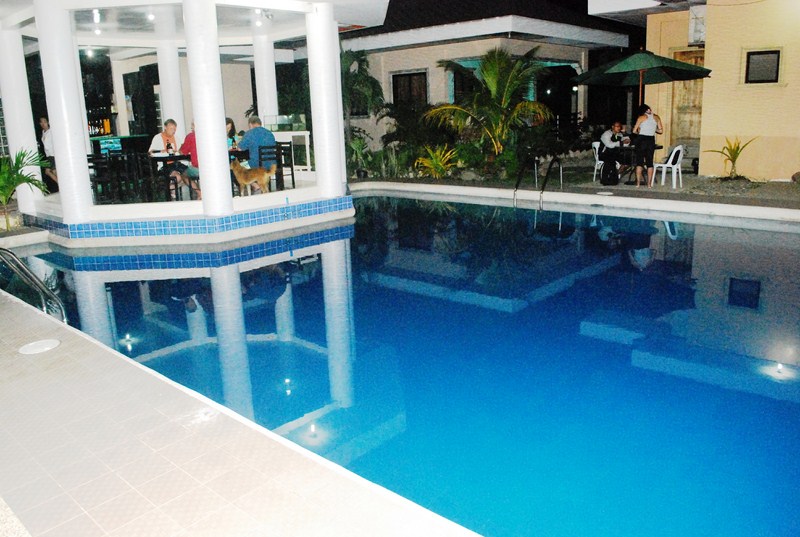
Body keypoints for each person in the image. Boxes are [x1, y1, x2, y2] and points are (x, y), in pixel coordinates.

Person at [149, 119, 188, 199]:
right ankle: (170, 189)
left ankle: (170, 188)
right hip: (165, 164)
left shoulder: (176, 138)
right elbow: (150, 152)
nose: (173, 131)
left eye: (174, 129)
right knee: (178, 177)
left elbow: (180, 150)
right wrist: (161, 151)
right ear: (165, 127)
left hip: (176, 163)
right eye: (171, 129)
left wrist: (178, 151)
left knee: (188, 174)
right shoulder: (157, 138)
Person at [632, 104, 663, 188]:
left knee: (639, 162)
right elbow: (660, 131)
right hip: (650, 140)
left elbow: (634, 131)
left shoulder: (641, 117)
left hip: (641, 139)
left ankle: (638, 183)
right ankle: (649, 184)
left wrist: (640, 131)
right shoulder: (656, 117)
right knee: (650, 162)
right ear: (649, 109)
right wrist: (653, 129)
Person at [598, 121, 630, 185]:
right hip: (604, 153)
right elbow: (609, 145)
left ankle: (615, 174)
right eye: (617, 126)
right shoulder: (607, 134)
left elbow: (626, 143)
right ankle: (607, 178)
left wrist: (625, 133)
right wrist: (621, 142)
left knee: (628, 160)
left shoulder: (619, 135)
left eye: (619, 127)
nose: (619, 128)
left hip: (615, 153)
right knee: (610, 161)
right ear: (612, 127)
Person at [178, 122, 202, 200]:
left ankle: (199, 193)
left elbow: (182, 152)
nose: (191, 127)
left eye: (192, 125)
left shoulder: (191, 136)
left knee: (184, 175)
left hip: (198, 167)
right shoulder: (210, 134)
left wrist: (181, 147)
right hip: (212, 167)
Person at [39, 116, 58, 188]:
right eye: (41, 122)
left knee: (50, 171)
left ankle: (62, 186)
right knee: (51, 172)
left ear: (48, 123)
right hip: (48, 155)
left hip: (52, 154)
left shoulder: (51, 131)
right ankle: (62, 185)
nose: (43, 124)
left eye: (45, 122)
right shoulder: (43, 132)